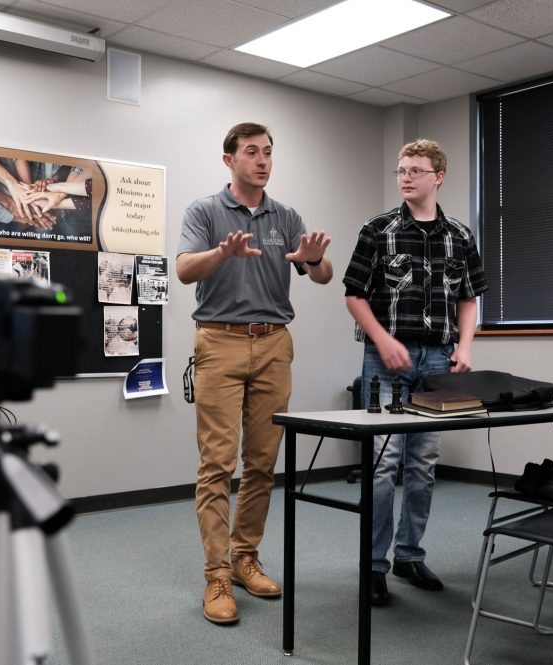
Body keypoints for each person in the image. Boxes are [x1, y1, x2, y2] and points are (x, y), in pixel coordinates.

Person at [176, 122, 333, 625]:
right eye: (251, 152)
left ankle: (245, 557)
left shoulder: (284, 215)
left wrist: (313, 261)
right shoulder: (204, 211)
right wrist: (221, 253)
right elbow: (182, 269)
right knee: (217, 464)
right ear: (229, 160)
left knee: (263, 462)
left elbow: (323, 273)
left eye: (268, 152)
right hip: (219, 341)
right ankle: (217, 573)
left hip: (272, 343)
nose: (263, 160)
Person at [342, 138, 487, 606]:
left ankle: (408, 555)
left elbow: (469, 298)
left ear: (437, 176)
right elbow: (353, 295)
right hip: (386, 361)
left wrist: (464, 347)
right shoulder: (377, 230)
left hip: (438, 363)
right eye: (400, 170)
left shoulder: (460, 236)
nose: (405, 177)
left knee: (422, 466)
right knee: (383, 465)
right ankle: (375, 565)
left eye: (415, 170)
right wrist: (383, 340)